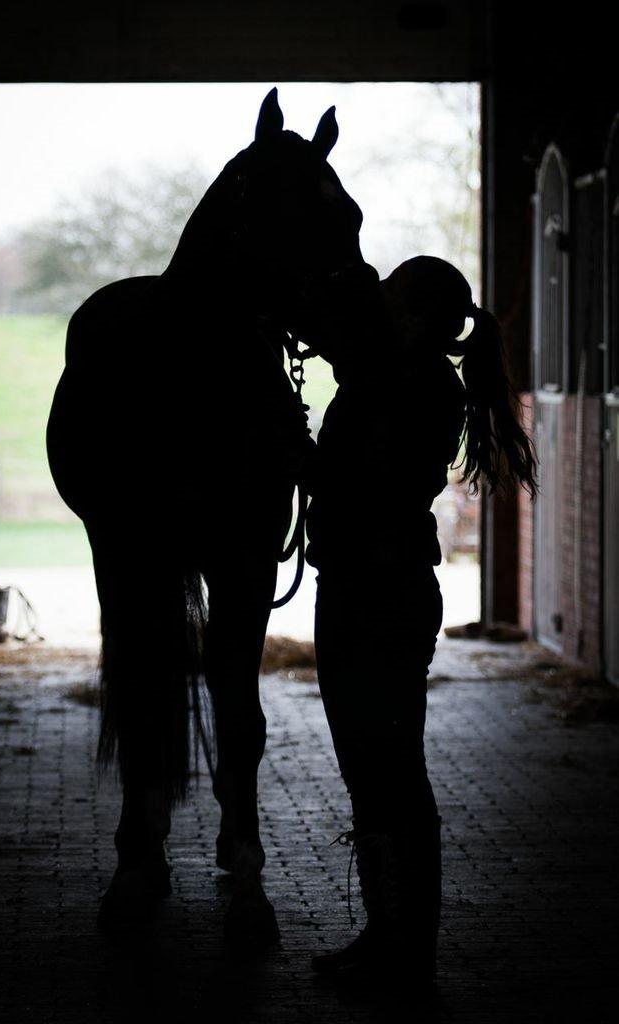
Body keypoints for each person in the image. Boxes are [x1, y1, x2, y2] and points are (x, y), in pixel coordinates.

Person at [304, 255, 538, 986]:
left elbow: (355, 476)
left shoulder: (413, 384)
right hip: (370, 583)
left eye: (390, 301)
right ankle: (391, 939)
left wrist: (291, 448)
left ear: (411, 316)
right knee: (375, 769)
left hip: (376, 590)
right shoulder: (408, 377)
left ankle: (406, 950)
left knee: (392, 770)